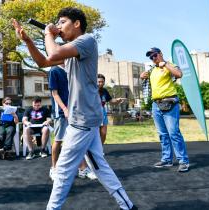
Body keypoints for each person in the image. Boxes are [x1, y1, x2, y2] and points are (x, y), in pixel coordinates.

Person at [13, 7, 137, 210]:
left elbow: (53, 51)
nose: (59, 26)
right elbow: (45, 61)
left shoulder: (86, 41)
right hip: (84, 118)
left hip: (83, 120)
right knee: (99, 166)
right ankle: (128, 206)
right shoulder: (72, 51)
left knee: (62, 170)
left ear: (77, 24)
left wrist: (47, 33)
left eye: (62, 22)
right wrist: (27, 42)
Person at [140, 47, 189, 172]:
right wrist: (142, 76)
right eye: (151, 57)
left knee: (174, 133)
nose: (153, 58)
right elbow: (148, 85)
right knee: (162, 134)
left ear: (160, 54)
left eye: (155, 55)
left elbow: (179, 74)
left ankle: (183, 161)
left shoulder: (169, 65)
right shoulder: (152, 70)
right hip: (156, 104)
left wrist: (166, 64)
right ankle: (167, 159)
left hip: (169, 102)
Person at [49, 65, 96, 181]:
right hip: (61, 112)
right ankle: (54, 168)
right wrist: (64, 109)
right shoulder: (54, 71)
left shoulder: (72, 70)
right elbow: (54, 94)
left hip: (75, 111)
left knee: (76, 141)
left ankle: (82, 168)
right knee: (58, 140)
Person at [97, 74, 125, 144]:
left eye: (102, 81)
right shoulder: (91, 90)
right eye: (99, 81)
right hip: (93, 113)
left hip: (102, 112)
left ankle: (100, 149)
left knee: (103, 134)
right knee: (94, 134)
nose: (101, 83)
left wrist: (118, 100)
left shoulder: (105, 91)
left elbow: (111, 100)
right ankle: (91, 152)